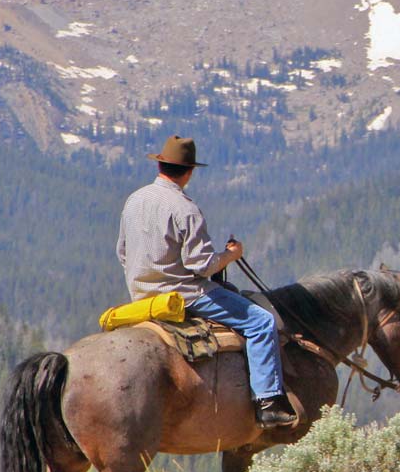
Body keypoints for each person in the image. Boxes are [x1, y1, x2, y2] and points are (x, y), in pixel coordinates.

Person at [117, 135, 298, 429]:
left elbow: (123, 253)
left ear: (161, 164)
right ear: (189, 172)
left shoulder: (134, 200)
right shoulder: (185, 208)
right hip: (186, 294)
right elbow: (200, 266)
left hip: (141, 295)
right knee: (260, 322)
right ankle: (267, 401)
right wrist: (231, 254)